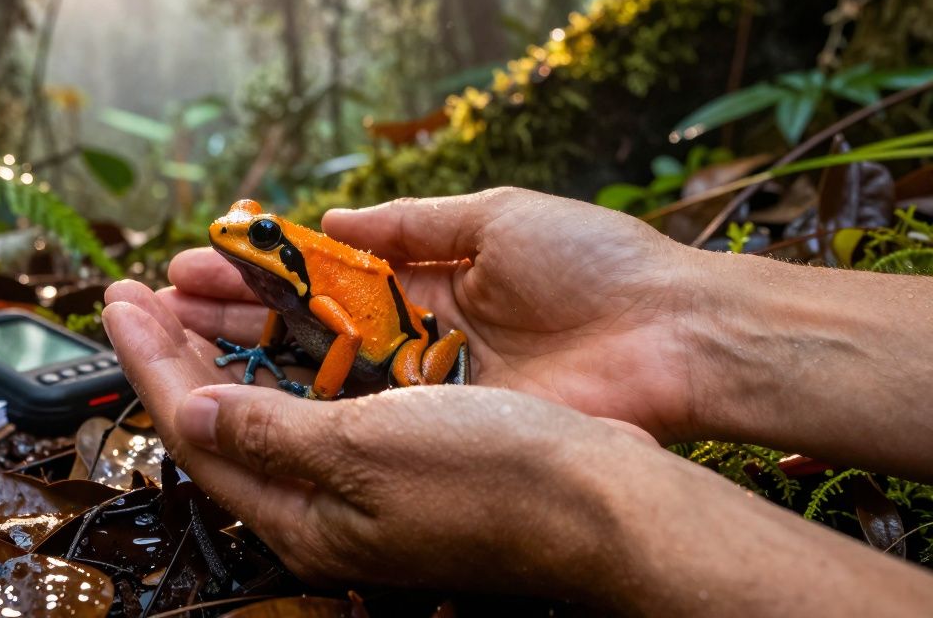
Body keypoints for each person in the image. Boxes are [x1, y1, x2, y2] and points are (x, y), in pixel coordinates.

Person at [100, 187, 933, 614]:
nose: (240, 241)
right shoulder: (287, 291)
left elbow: (347, 340)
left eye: (259, 236)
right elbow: (298, 329)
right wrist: (688, 312)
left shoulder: (316, 287)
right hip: (371, 324)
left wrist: (570, 508)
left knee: (368, 354)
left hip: (401, 348)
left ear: (280, 249)